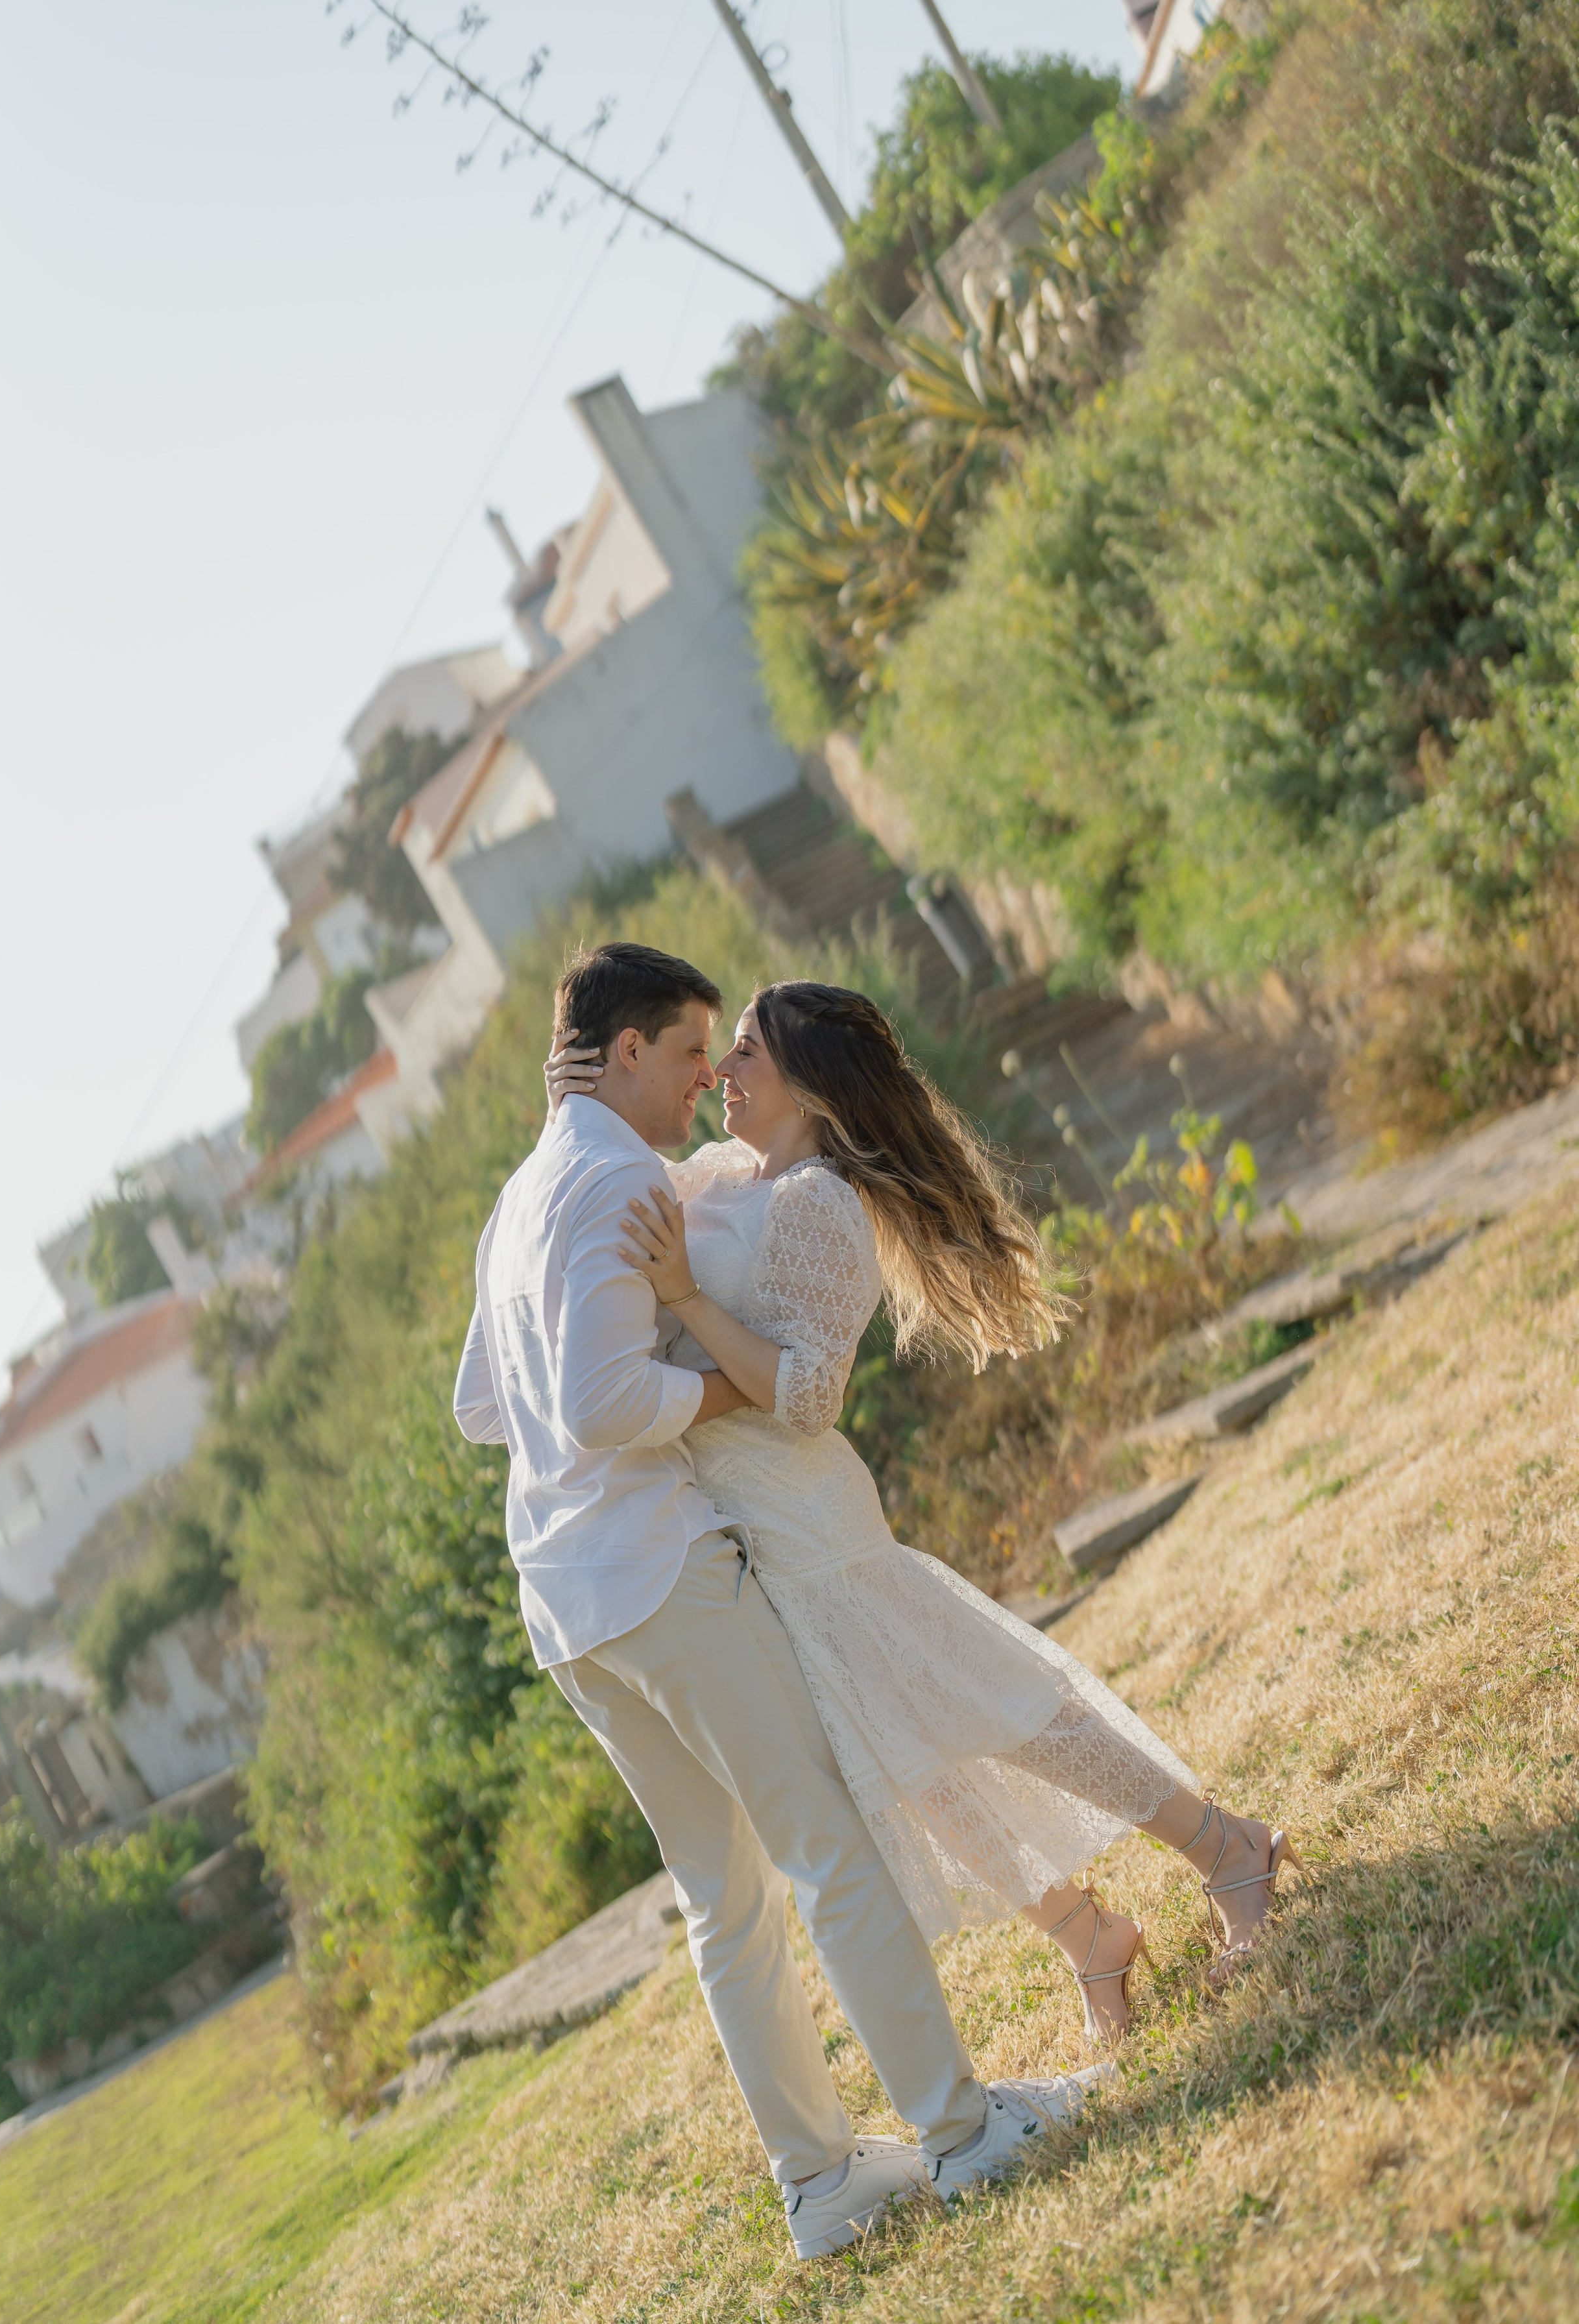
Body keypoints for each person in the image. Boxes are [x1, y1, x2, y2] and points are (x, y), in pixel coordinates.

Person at [454, 943, 1104, 2264]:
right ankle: (963, 2131)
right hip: (661, 1575)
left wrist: (612, 1398)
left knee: (722, 1897)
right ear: (622, 1050)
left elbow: (487, 1405)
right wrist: (724, 1389)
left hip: (568, 1607)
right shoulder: (619, 1175)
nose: (705, 1077)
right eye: (690, 1050)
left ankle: (818, 2185)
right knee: (823, 1848)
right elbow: (593, 1404)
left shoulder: (521, 1195)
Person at [543, 976, 1301, 2052]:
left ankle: (1230, 1847)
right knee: (908, 1773)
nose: (720, 1072)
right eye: (722, 1054)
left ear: (808, 1080)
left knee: (1005, 1711)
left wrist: (687, 1301)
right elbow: (614, 1146)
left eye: (747, 1052)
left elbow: (809, 1396)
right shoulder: (719, 1170)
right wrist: (564, 1095)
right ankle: (1092, 1938)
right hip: (747, 1539)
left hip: (813, 1526)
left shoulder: (819, 1203)